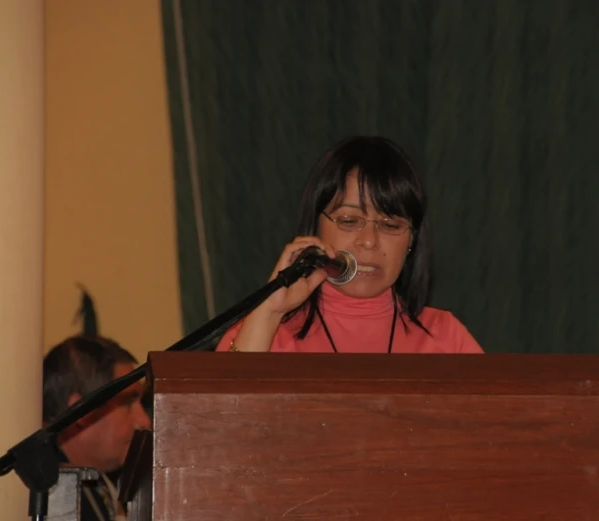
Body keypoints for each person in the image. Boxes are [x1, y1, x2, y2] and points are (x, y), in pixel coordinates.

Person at [216, 135, 483, 354]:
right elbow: (218, 416)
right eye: (349, 220)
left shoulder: (445, 338)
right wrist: (270, 311)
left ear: (411, 240)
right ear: (315, 227)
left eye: (390, 225)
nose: (368, 241)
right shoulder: (265, 331)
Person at [43, 335, 151, 521]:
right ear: (81, 412)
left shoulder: (98, 480)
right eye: (127, 402)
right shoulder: (46, 495)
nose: (144, 421)